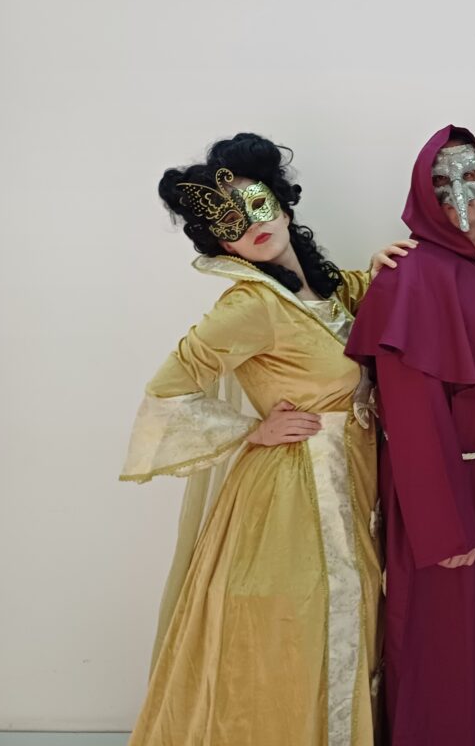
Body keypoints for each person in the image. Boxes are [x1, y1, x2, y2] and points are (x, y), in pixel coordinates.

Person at [120, 132, 412, 746]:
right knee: (293, 626)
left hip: (354, 483)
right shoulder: (249, 306)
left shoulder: (326, 287)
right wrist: (253, 429)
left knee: (355, 614)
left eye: (256, 204)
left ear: (280, 202)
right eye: (228, 223)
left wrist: (382, 268)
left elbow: (354, 311)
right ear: (220, 243)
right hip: (292, 494)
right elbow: (168, 389)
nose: (251, 224)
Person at [345, 125, 475, 746]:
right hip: (443, 493)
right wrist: (441, 525)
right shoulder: (411, 276)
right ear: (421, 192)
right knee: (443, 648)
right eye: (441, 180)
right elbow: (408, 413)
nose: (459, 193)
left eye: (471, 176)